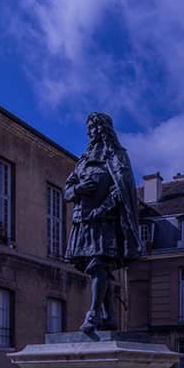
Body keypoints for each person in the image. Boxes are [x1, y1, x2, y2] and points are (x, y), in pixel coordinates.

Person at [63, 112, 144, 333]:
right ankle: (108, 317)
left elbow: (123, 189)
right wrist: (78, 189)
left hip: (105, 222)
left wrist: (104, 208)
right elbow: (67, 190)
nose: (89, 132)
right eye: (88, 128)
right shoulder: (82, 162)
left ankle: (93, 313)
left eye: (93, 127)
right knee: (100, 270)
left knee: (99, 264)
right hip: (83, 221)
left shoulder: (116, 156)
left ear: (103, 129)